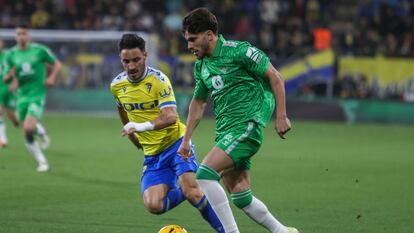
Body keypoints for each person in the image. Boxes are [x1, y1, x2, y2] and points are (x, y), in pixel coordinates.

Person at [179, 8, 298, 233]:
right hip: (226, 131)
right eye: (187, 40)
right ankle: (284, 231)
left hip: (247, 125)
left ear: (209, 35)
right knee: (241, 195)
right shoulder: (201, 66)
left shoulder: (240, 51)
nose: (189, 46)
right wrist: (186, 140)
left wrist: (281, 116)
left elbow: (275, 77)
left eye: (193, 40)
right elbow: (198, 103)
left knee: (204, 175)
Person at [110, 33, 223, 233]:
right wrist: (135, 138)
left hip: (176, 144)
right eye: (126, 61)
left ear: (145, 55)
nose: (132, 66)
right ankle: (191, 188)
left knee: (193, 194)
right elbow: (122, 110)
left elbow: (170, 116)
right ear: (121, 60)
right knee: (154, 206)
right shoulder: (117, 85)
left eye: (136, 60)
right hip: (153, 155)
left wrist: (140, 126)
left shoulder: (159, 80)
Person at [3, 24, 61, 171]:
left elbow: (57, 64)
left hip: (37, 94)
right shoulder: (10, 55)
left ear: (28, 35)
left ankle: (43, 162)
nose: (21, 36)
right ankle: (40, 132)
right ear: (15, 36)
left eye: (23, 33)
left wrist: (52, 77)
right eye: (18, 34)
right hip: (21, 96)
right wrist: (10, 78)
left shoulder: (40, 51)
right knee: (22, 127)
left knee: (28, 128)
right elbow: (6, 78)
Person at [0, 39, 19, 148]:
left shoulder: (9, 55)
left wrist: (16, 82)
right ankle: (3, 139)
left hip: (8, 88)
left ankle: (38, 129)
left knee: (14, 118)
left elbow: (17, 68)